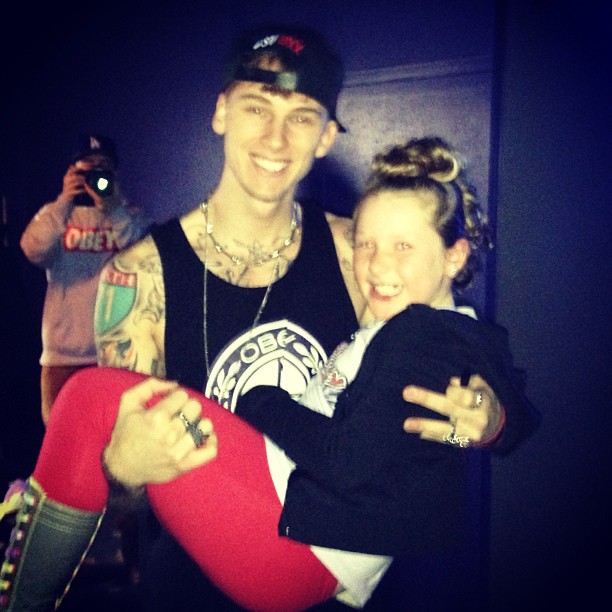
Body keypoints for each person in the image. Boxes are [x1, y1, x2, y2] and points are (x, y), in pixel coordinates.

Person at [89, 26, 532, 611]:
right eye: (256, 107)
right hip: (194, 583)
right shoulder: (139, 276)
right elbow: (117, 498)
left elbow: (466, 408)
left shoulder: (362, 255)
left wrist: (485, 422)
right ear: (221, 112)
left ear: (325, 136)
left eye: (301, 116)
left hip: (321, 578)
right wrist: (120, 472)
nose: (275, 137)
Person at [0, 136, 539, 612]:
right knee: (97, 403)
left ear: (454, 256)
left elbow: (347, 460)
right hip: (279, 528)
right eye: (367, 244)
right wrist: (490, 424)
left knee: (90, 397)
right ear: (223, 115)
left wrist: (261, 400)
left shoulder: (423, 334)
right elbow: (491, 416)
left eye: (403, 247)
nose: (378, 265)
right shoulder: (413, 325)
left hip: (293, 543)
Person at [19, 134, 152, 425]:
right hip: (62, 355)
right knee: (61, 436)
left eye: (103, 165)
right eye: (86, 166)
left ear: (115, 172)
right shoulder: (55, 216)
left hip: (115, 353)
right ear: (71, 172)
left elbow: (144, 260)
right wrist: (64, 201)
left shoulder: (130, 217)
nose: (95, 174)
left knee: (113, 435)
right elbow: (33, 250)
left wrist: (114, 210)